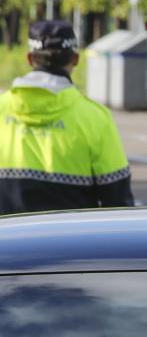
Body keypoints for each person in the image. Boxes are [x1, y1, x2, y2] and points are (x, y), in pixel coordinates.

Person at [0, 20, 133, 214]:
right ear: (75, 59)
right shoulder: (95, 118)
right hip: (73, 243)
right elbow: (118, 201)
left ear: (30, 58)